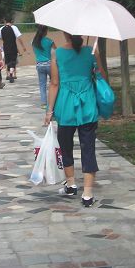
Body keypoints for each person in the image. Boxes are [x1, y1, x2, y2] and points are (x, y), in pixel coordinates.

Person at [44, 32, 104, 208]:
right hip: (88, 104)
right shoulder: (92, 51)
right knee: (88, 148)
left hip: (65, 105)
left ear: (65, 33)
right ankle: (88, 194)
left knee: (65, 145)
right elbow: (100, 76)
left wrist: (49, 111)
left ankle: (71, 184)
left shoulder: (57, 54)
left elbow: (54, 83)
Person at [0, 17, 28, 83]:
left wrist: (3, 39)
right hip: (13, 47)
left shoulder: (2, 28)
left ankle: (8, 74)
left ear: (5, 21)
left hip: (5, 47)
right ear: (12, 21)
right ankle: (11, 74)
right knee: (13, 61)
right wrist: (23, 47)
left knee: (8, 61)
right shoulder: (14, 28)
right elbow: (19, 38)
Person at [32, 25, 56, 109]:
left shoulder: (33, 42)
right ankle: (54, 100)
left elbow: (36, 53)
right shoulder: (50, 41)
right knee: (54, 83)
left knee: (42, 84)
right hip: (50, 64)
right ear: (45, 31)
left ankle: (43, 103)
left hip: (39, 65)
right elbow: (55, 52)